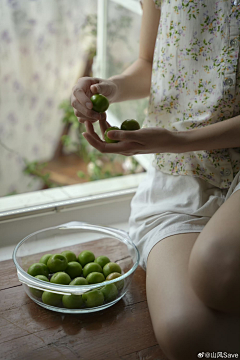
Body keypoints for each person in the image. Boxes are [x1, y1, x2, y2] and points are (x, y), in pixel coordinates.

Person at [71, 0, 240, 359]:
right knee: (188, 336)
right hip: (182, 174)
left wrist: (180, 141)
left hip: (193, 150)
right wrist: (110, 88)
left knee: (218, 270)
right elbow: (149, 63)